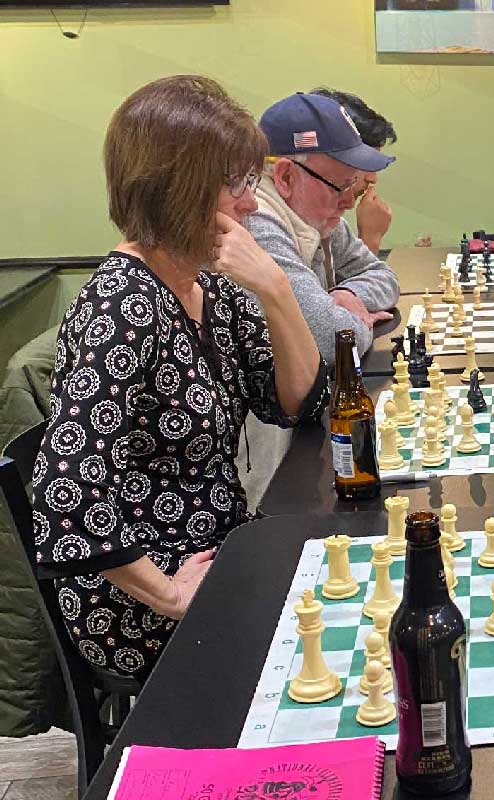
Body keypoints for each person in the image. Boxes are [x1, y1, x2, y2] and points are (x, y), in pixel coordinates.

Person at [31, 76, 329, 683]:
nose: (251, 202)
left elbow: (294, 401)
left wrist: (275, 289)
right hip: (144, 597)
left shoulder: (206, 284)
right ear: (177, 189)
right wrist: (169, 593)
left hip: (222, 548)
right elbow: (64, 493)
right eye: (236, 184)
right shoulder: (117, 310)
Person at [248, 92, 401, 362]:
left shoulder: (320, 215)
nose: (347, 202)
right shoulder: (258, 223)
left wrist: (348, 294)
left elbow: (384, 277)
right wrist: (355, 321)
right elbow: (332, 343)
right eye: (341, 186)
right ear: (285, 177)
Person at [309, 87, 396, 256]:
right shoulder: (268, 225)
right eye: (365, 163)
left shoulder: (331, 219)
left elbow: (368, 275)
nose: (372, 178)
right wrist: (370, 238)